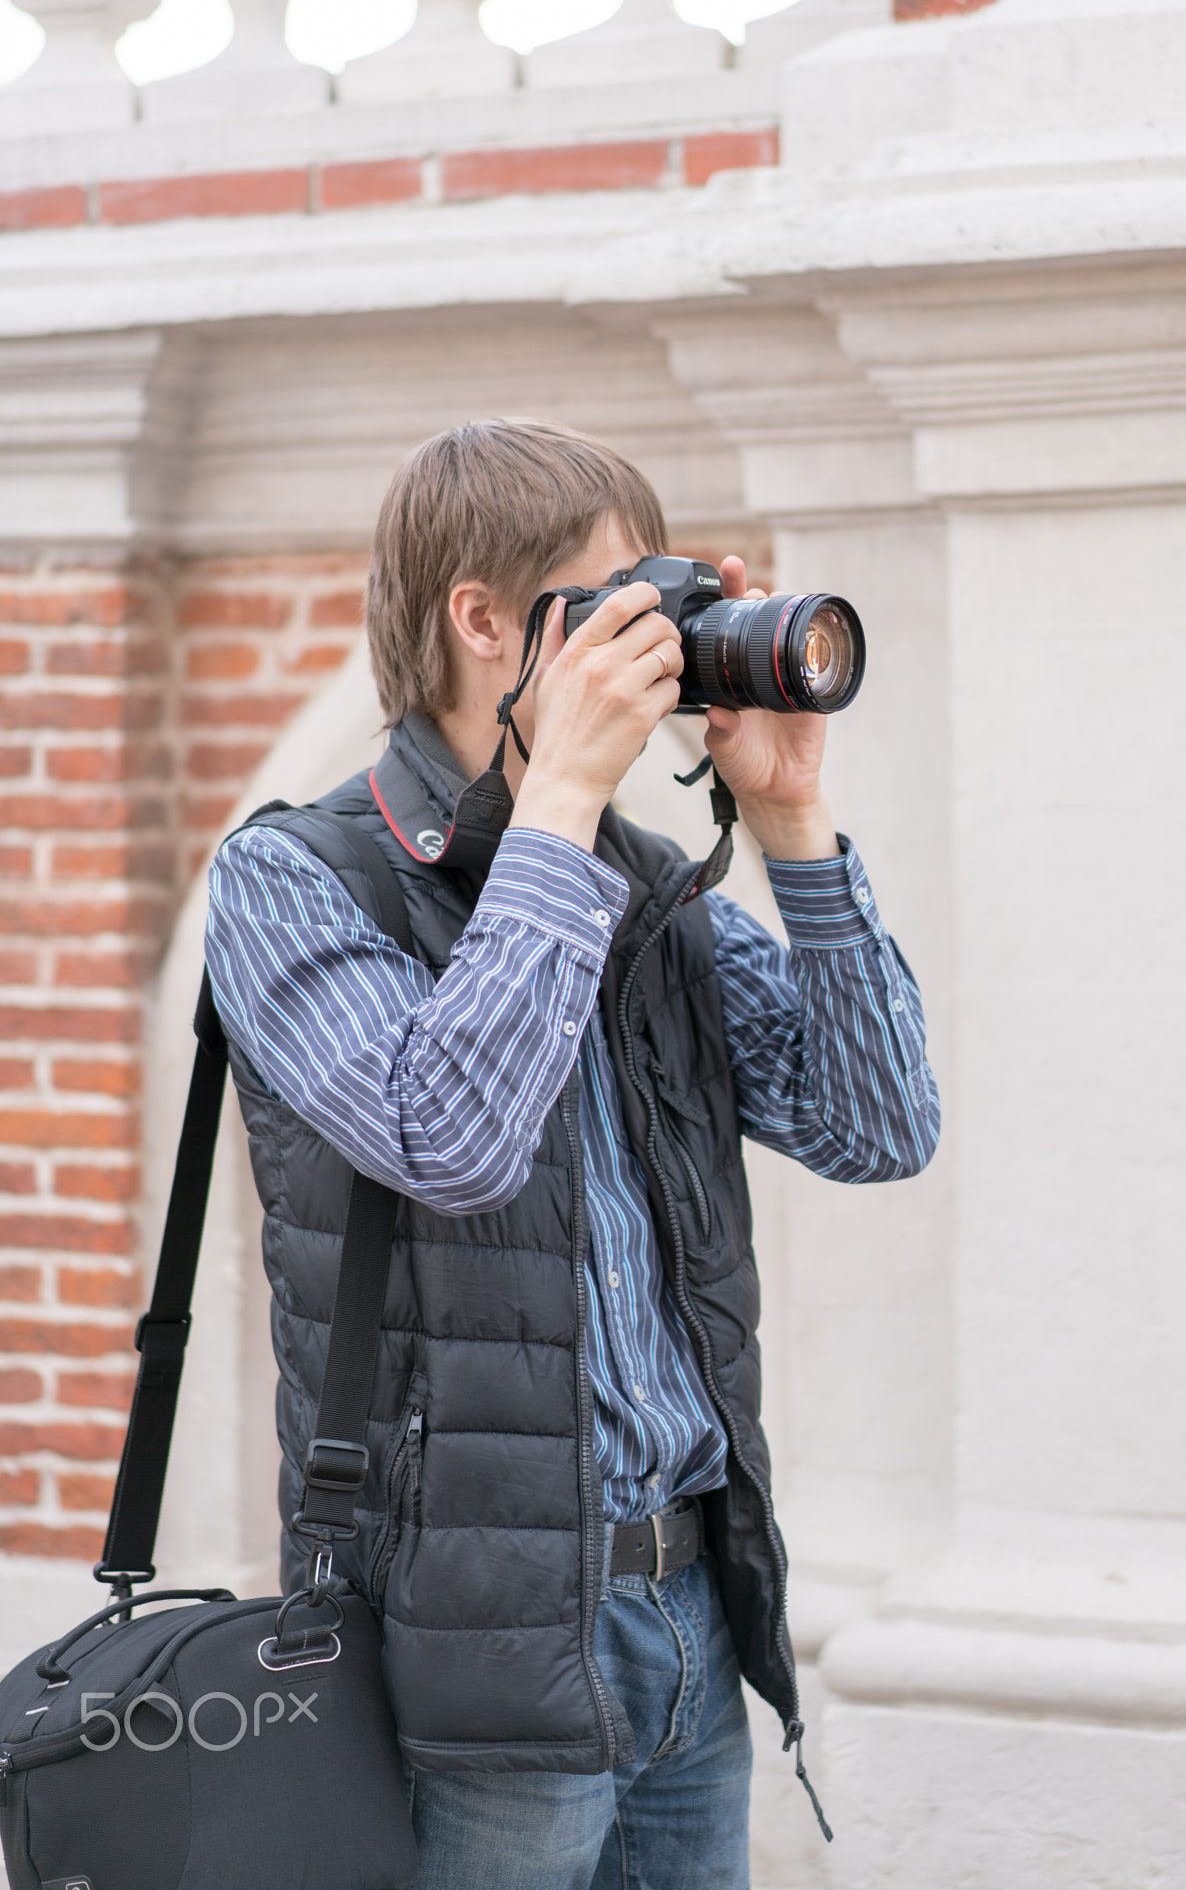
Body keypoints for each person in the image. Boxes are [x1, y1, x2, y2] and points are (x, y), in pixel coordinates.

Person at [205, 421, 939, 1890]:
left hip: (690, 1612)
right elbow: (449, 1139)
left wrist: (793, 820)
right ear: (485, 622)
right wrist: (557, 808)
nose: (657, 644)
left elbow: (876, 1126)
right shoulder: (292, 878)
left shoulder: (637, 882)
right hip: (471, 1653)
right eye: (615, 606)